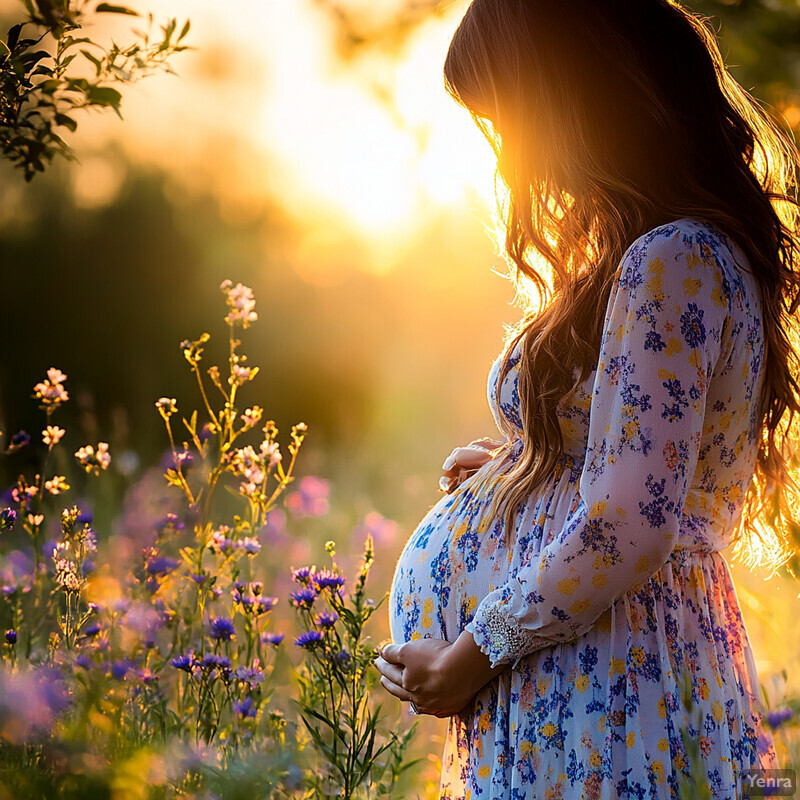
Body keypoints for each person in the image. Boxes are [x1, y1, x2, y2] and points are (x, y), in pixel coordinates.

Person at [373, 0, 800, 797]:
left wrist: (470, 655)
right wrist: (530, 469)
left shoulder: (673, 260)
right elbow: (635, 462)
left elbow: (627, 526)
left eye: (507, 122)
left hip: (612, 679)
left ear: (570, 105)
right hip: (584, 673)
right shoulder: (657, 252)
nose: (506, 158)